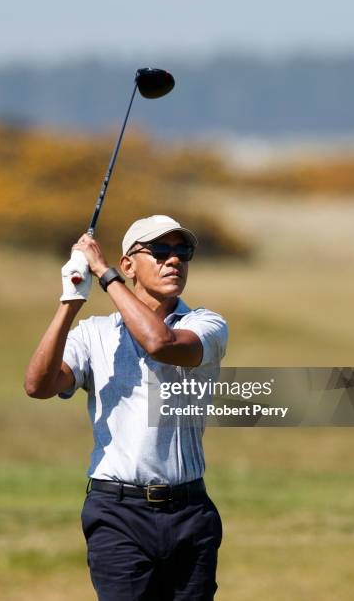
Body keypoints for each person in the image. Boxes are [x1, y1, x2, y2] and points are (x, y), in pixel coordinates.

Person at [25, 214, 228, 600]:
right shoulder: (94, 333)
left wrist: (104, 273)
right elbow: (38, 385)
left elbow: (160, 343)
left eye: (182, 251)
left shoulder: (205, 324)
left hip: (189, 512)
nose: (174, 260)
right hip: (117, 513)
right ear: (130, 264)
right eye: (160, 251)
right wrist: (70, 303)